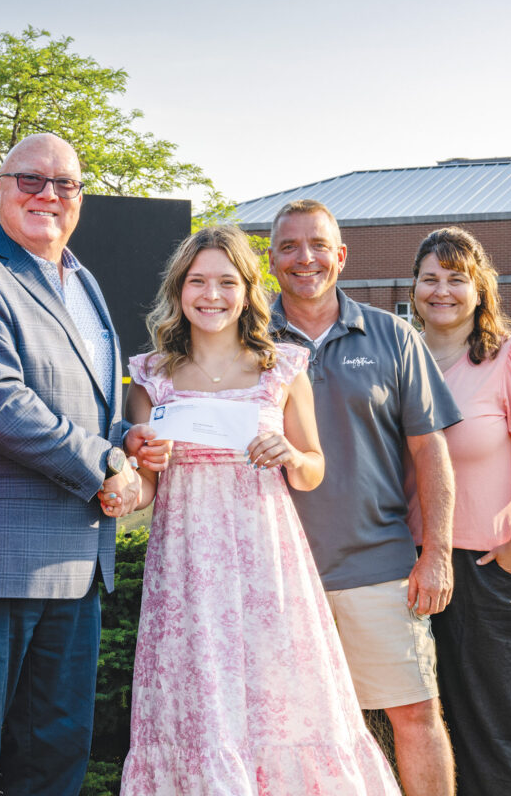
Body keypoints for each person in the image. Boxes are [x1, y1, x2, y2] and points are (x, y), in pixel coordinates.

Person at [0, 133, 154, 796]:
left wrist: (130, 439)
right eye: (30, 180)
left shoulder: (84, 282)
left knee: (54, 764)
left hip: (74, 566)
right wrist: (107, 461)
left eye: (64, 184)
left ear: (80, 197)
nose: (48, 195)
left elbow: (87, 406)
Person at [119, 225, 401, 794]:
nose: (212, 295)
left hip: (269, 565)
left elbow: (315, 467)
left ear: (249, 291)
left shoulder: (283, 368)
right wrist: (130, 469)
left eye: (227, 282)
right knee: (199, 706)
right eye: (197, 282)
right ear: (178, 291)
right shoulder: (150, 377)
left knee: (283, 701)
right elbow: (146, 488)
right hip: (187, 572)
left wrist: (292, 454)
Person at [267, 200, 462, 796]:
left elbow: (431, 454)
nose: (306, 259)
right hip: (274, 573)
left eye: (319, 245)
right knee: (288, 731)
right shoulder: (244, 338)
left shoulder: (392, 336)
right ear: (271, 260)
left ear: (341, 255)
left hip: (376, 565)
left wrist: (437, 554)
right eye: (290, 246)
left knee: (415, 715)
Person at [407, 227, 511, 796]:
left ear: (479, 289)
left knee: (485, 723)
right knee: (417, 718)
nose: (441, 291)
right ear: (414, 287)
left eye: (456, 279)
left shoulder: (508, 358)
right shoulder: (401, 357)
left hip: (485, 564)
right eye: (430, 279)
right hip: (404, 561)